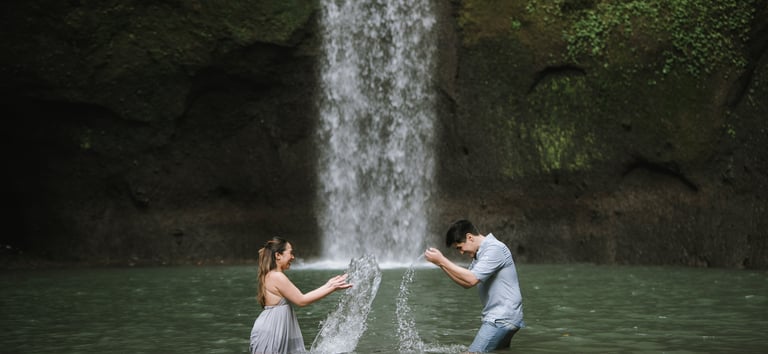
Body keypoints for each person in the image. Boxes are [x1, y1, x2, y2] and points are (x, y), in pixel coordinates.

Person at [424, 219, 524, 353]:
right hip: (507, 318)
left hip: (500, 318)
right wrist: (441, 264)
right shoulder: (480, 254)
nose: (461, 252)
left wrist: (442, 260)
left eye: (459, 247)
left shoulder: (494, 249)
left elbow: (471, 279)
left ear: (469, 237)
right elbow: (466, 283)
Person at [249, 237, 352, 354]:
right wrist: (331, 287)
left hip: (273, 328)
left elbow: (301, 297)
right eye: (290, 253)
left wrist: (329, 285)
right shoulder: (277, 276)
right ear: (278, 255)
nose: (293, 257)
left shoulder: (271, 275)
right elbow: (301, 300)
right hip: (272, 330)